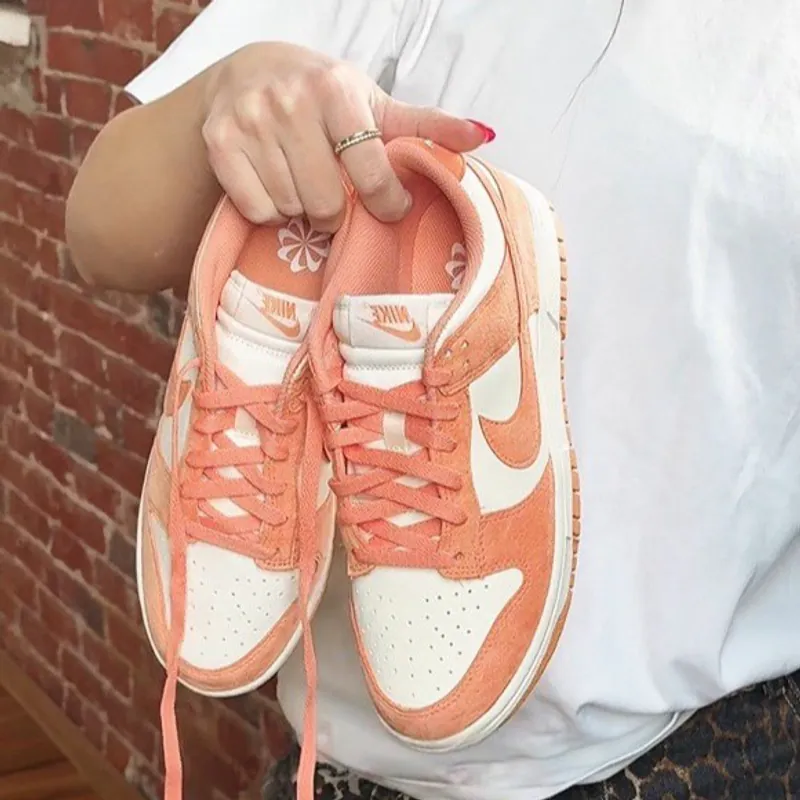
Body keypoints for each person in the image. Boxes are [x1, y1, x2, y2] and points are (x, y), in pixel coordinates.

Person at [66, 1, 800, 798]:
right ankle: (278, 347)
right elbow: (99, 232)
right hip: (359, 761)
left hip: (718, 744)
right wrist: (226, 91)